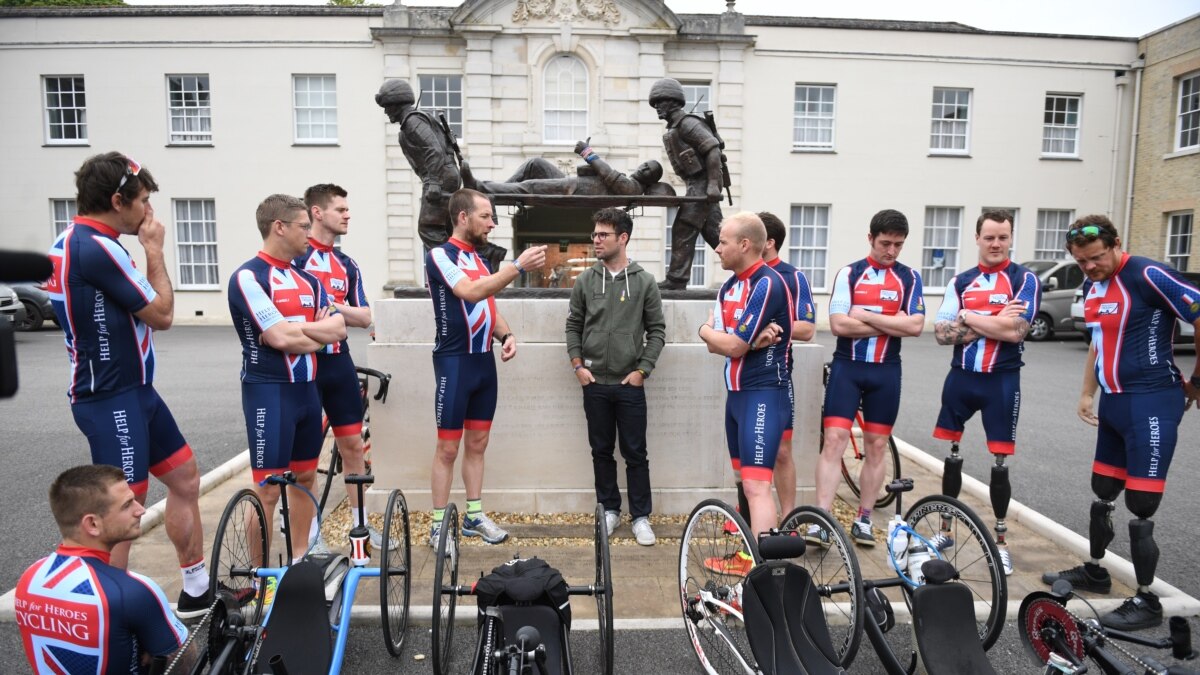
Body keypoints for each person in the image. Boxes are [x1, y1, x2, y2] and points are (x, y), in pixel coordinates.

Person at [45, 152, 211, 617]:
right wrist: (154, 250)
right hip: (110, 396)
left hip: (135, 391)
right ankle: (110, 618)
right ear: (118, 201)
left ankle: (197, 588)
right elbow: (161, 315)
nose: (149, 214)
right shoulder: (95, 246)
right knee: (123, 510)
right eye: (143, 202)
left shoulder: (78, 239)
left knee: (185, 478)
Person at [1042, 215, 1200, 631]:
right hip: (1113, 403)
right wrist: (1085, 392)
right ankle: (1096, 571)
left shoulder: (1147, 273)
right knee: (1103, 490)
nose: (1089, 267)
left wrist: (1197, 381)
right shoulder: (1095, 286)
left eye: (1095, 258)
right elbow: (1098, 342)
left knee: (1141, 506)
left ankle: (1147, 600)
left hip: (1152, 402)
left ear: (1115, 244)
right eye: (1080, 261)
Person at [228, 194, 347, 562]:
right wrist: (305, 331)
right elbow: (279, 339)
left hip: (306, 392)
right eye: (303, 227)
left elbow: (339, 330)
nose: (309, 236)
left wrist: (293, 328)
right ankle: (261, 576)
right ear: (279, 227)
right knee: (266, 490)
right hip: (269, 393)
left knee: (306, 479)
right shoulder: (248, 276)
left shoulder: (309, 280)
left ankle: (298, 562)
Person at [425, 188, 547, 546]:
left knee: (478, 443)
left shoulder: (479, 259)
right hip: (454, 363)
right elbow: (470, 293)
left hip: (483, 363)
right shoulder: (439, 255)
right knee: (448, 448)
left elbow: (488, 307)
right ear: (463, 217)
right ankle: (437, 524)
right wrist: (518, 266)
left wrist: (506, 333)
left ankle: (474, 516)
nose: (492, 224)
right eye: (486, 217)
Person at [932, 210, 1041, 576]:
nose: (996, 244)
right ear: (977, 238)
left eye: (1003, 237)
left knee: (999, 464)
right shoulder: (961, 281)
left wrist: (969, 317)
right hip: (961, 378)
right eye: (989, 237)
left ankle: (1000, 542)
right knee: (951, 455)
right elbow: (942, 334)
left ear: (1011, 239)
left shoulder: (1024, 279)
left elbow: (1017, 332)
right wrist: (995, 320)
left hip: (1002, 381)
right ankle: (946, 531)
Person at [811, 209, 925, 548]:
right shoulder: (851, 273)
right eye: (885, 243)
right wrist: (892, 319)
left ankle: (863, 517)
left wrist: (863, 313)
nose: (891, 251)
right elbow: (839, 325)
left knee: (876, 446)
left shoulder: (909, 278)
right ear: (871, 238)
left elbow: (916, 326)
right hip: (849, 366)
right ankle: (822, 519)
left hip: (886, 370)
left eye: (898, 245)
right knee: (834, 442)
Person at [17, 465, 188, 675]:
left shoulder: (29, 578)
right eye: (127, 505)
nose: (140, 509)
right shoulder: (132, 591)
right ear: (92, 524)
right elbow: (182, 659)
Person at [565, 208, 666, 546]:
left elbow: (657, 331)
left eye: (603, 234)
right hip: (594, 383)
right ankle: (609, 509)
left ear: (622, 238)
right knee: (601, 450)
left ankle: (640, 517)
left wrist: (642, 371)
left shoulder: (643, 281)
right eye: (595, 234)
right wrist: (578, 365)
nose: (596, 239)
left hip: (628, 384)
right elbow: (574, 324)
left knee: (636, 452)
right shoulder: (585, 279)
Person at [293, 184, 387, 549]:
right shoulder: (298, 259)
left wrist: (333, 306)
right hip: (305, 364)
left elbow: (364, 316)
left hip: (339, 363)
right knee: (304, 461)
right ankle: (309, 535)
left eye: (348, 209)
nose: (348, 215)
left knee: (351, 446)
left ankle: (360, 528)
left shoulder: (346, 264)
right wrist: (341, 310)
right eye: (340, 209)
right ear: (317, 212)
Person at [698, 212, 791, 575]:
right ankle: (747, 558)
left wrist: (707, 331)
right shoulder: (729, 287)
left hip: (763, 394)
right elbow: (720, 345)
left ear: (745, 244)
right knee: (743, 484)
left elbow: (733, 345)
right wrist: (718, 337)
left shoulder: (767, 283)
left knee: (757, 487)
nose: (717, 248)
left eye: (722, 242)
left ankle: (765, 573)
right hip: (736, 397)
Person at [375, 79, 506, 270]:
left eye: (387, 107)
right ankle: (482, 256)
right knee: (448, 229)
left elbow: (433, 150)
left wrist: (434, 182)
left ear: (397, 104)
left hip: (439, 177)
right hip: (445, 175)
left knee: (429, 228)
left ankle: (449, 271)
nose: (386, 112)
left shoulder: (412, 122)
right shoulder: (414, 121)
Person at [759, 212, 817, 518]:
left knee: (781, 451)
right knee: (749, 453)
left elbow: (808, 329)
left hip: (779, 377)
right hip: (745, 378)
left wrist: (769, 328)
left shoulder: (793, 277)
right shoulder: (740, 277)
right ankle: (752, 513)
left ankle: (789, 517)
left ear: (768, 242)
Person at [648, 77, 725, 290]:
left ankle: (677, 279)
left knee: (683, 228)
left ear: (672, 102)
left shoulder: (688, 124)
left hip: (700, 185)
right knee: (718, 236)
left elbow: (713, 150)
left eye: (659, 103)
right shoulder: (676, 127)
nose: (656, 108)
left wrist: (711, 185)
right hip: (695, 184)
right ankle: (753, 269)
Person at [462, 142, 669, 197]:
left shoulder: (632, 187)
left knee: (530, 186)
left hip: (575, 190)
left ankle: (480, 187)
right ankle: (498, 191)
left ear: (650, 180)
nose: (643, 166)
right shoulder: (629, 181)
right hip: (573, 182)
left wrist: (586, 152)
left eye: (649, 169)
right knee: (535, 163)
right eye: (646, 163)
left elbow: (606, 173)